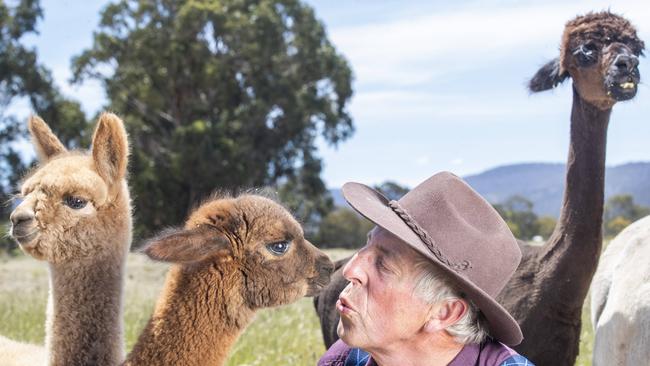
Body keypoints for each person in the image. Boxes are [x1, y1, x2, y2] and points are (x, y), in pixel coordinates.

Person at [318, 171, 533, 366]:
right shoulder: (342, 360)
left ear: (444, 312)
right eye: (366, 245)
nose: (350, 270)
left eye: (383, 264)